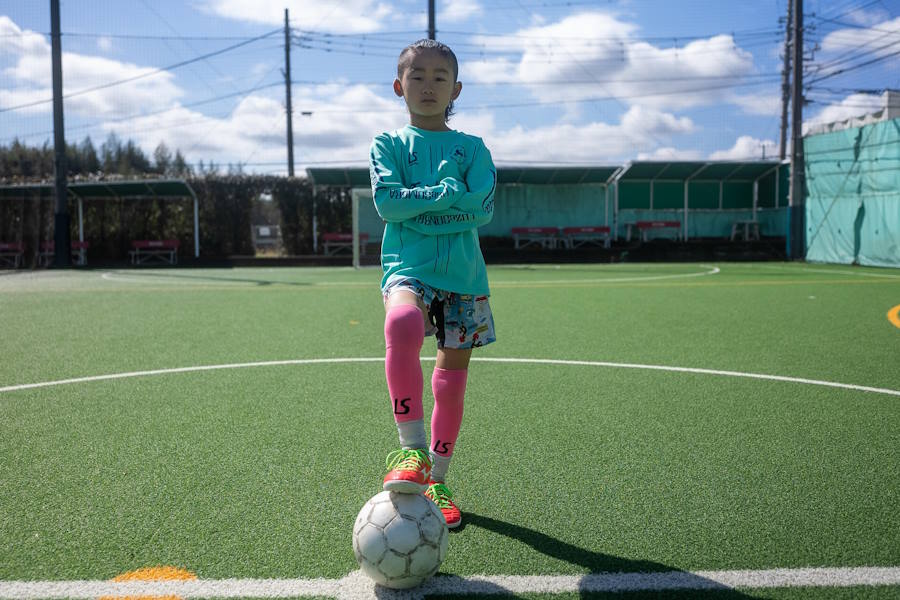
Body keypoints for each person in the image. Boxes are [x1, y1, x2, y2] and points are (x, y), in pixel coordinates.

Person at [368, 39, 497, 529]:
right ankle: (411, 451)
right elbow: (388, 205)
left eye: (440, 77)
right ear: (399, 86)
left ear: (456, 89)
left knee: (451, 381)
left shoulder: (474, 148)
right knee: (401, 321)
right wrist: (447, 197)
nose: (428, 85)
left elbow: (481, 210)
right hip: (408, 267)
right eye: (417, 76)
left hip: (464, 276)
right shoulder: (388, 145)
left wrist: (420, 208)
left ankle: (438, 478)